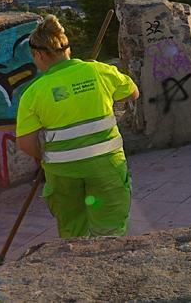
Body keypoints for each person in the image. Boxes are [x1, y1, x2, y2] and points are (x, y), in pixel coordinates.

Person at [15, 15, 140, 238]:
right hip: (106, 166)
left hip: (62, 172)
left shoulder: (33, 93)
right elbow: (133, 93)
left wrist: (46, 157)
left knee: (72, 229)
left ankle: (75, 265)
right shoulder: (99, 71)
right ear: (67, 49)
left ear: (39, 54)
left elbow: (25, 143)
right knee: (110, 228)